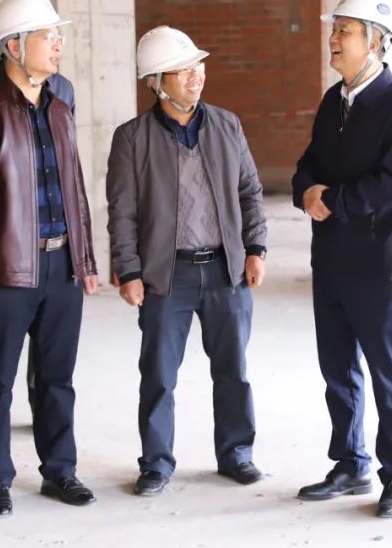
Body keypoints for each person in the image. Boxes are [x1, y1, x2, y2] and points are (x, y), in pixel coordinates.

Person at [0, 0, 100, 518]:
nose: (58, 45)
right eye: (48, 37)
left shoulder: (61, 99)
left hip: (61, 265)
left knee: (57, 379)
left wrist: (86, 260)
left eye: (57, 37)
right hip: (5, 267)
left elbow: (74, 184)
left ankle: (60, 471)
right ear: (14, 45)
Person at [106, 26, 268, 497]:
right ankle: (156, 463)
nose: (196, 76)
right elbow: (122, 210)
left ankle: (237, 453)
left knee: (233, 370)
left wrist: (255, 248)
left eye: (198, 66)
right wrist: (129, 270)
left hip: (225, 270)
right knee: (158, 375)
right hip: (166, 276)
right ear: (155, 82)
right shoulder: (132, 138)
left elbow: (250, 192)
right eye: (182, 70)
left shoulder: (227, 125)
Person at [292, 0, 392, 519]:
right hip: (330, 261)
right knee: (339, 371)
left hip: (376, 266)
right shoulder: (334, 101)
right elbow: (309, 162)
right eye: (334, 29)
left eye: (344, 31)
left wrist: (332, 202)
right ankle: (350, 463)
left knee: (388, 373)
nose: (333, 38)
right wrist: (306, 191)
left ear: (375, 41)